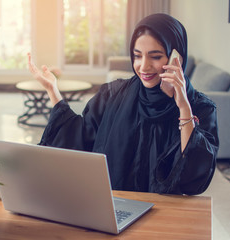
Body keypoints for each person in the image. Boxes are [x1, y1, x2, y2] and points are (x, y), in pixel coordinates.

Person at [28, 13, 219, 195]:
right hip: (115, 208)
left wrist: (183, 106)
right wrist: (53, 90)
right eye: (137, 55)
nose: (143, 66)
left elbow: (193, 179)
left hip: (165, 216)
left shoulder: (200, 108)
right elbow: (79, 136)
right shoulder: (112, 94)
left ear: (177, 57)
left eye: (155, 56)